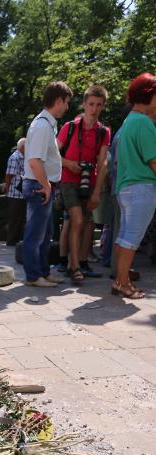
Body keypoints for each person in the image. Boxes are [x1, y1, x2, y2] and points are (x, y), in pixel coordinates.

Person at [57, 85, 110, 283]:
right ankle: (74, 266)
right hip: (69, 179)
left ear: (103, 106)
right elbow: (53, 153)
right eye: (91, 104)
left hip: (90, 181)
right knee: (77, 220)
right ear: (83, 104)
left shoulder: (104, 131)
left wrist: (97, 192)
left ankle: (81, 262)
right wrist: (69, 163)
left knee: (88, 223)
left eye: (98, 105)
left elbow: (103, 162)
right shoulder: (69, 127)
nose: (94, 109)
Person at [22, 81, 72, 287]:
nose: (68, 107)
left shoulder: (46, 123)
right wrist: (46, 186)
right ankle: (34, 276)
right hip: (39, 185)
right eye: (67, 102)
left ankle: (42, 272)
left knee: (46, 234)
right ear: (58, 101)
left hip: (42, 184)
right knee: (36, 234)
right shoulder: (43, 126)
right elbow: (34, 161)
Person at [112, 72, 156, 299]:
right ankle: (123, 283)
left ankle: (121, 281)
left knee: (123, 237)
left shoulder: (128, 122)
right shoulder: (145, 124)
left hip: (126, 188)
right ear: (149, 94)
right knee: (131, 240)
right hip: (142, 189)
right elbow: (154, 160)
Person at [5, 138, 26, 245]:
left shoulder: (25, 157)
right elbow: (9, 175)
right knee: (14, 219)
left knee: (21, 218)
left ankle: (17, 240)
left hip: (23, 193)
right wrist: (7, 188)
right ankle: (11, 240)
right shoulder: (15, 157)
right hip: (15, 193)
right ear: (22, 147)